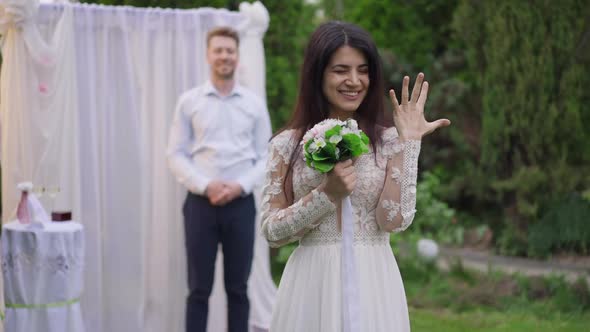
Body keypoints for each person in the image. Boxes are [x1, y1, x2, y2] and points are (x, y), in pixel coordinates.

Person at [260, 21, 450, 331]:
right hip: (312, 284)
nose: (354, 80)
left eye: (363, 70)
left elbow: (395, 220)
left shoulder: (388, 140)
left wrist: (410, 143)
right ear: (317, 73)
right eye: (340, 70)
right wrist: (326, 195)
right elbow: (272, 232)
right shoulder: (286, 145)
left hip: (373, 281)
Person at [167, 26, 272, 332]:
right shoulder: (189, 101)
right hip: (200, 205)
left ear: (237, 57)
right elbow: (174, 153)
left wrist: (239, 185)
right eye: (219, 50)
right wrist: (206, 185)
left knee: (238, 289)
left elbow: (265, 156)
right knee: (198, 289)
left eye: (230, 50)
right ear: (207, 55)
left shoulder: (253, 104)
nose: (224, 56)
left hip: (241, 206)